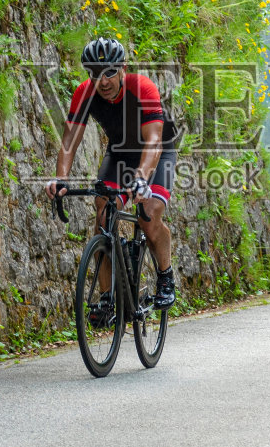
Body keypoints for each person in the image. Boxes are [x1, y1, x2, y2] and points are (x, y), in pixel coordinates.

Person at [45, 36, 178, 315]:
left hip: (158, 150)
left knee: (150, 213)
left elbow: (153, 142)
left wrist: (142, 178)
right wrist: (61, 179)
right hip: (119, 153)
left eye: (108, 73)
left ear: (122, 69)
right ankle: (107, 299)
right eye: (93, 74)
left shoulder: (141, 87)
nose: (102, 81)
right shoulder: (85, 93)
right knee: (104, 217)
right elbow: (69, 142)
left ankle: (165, 276)